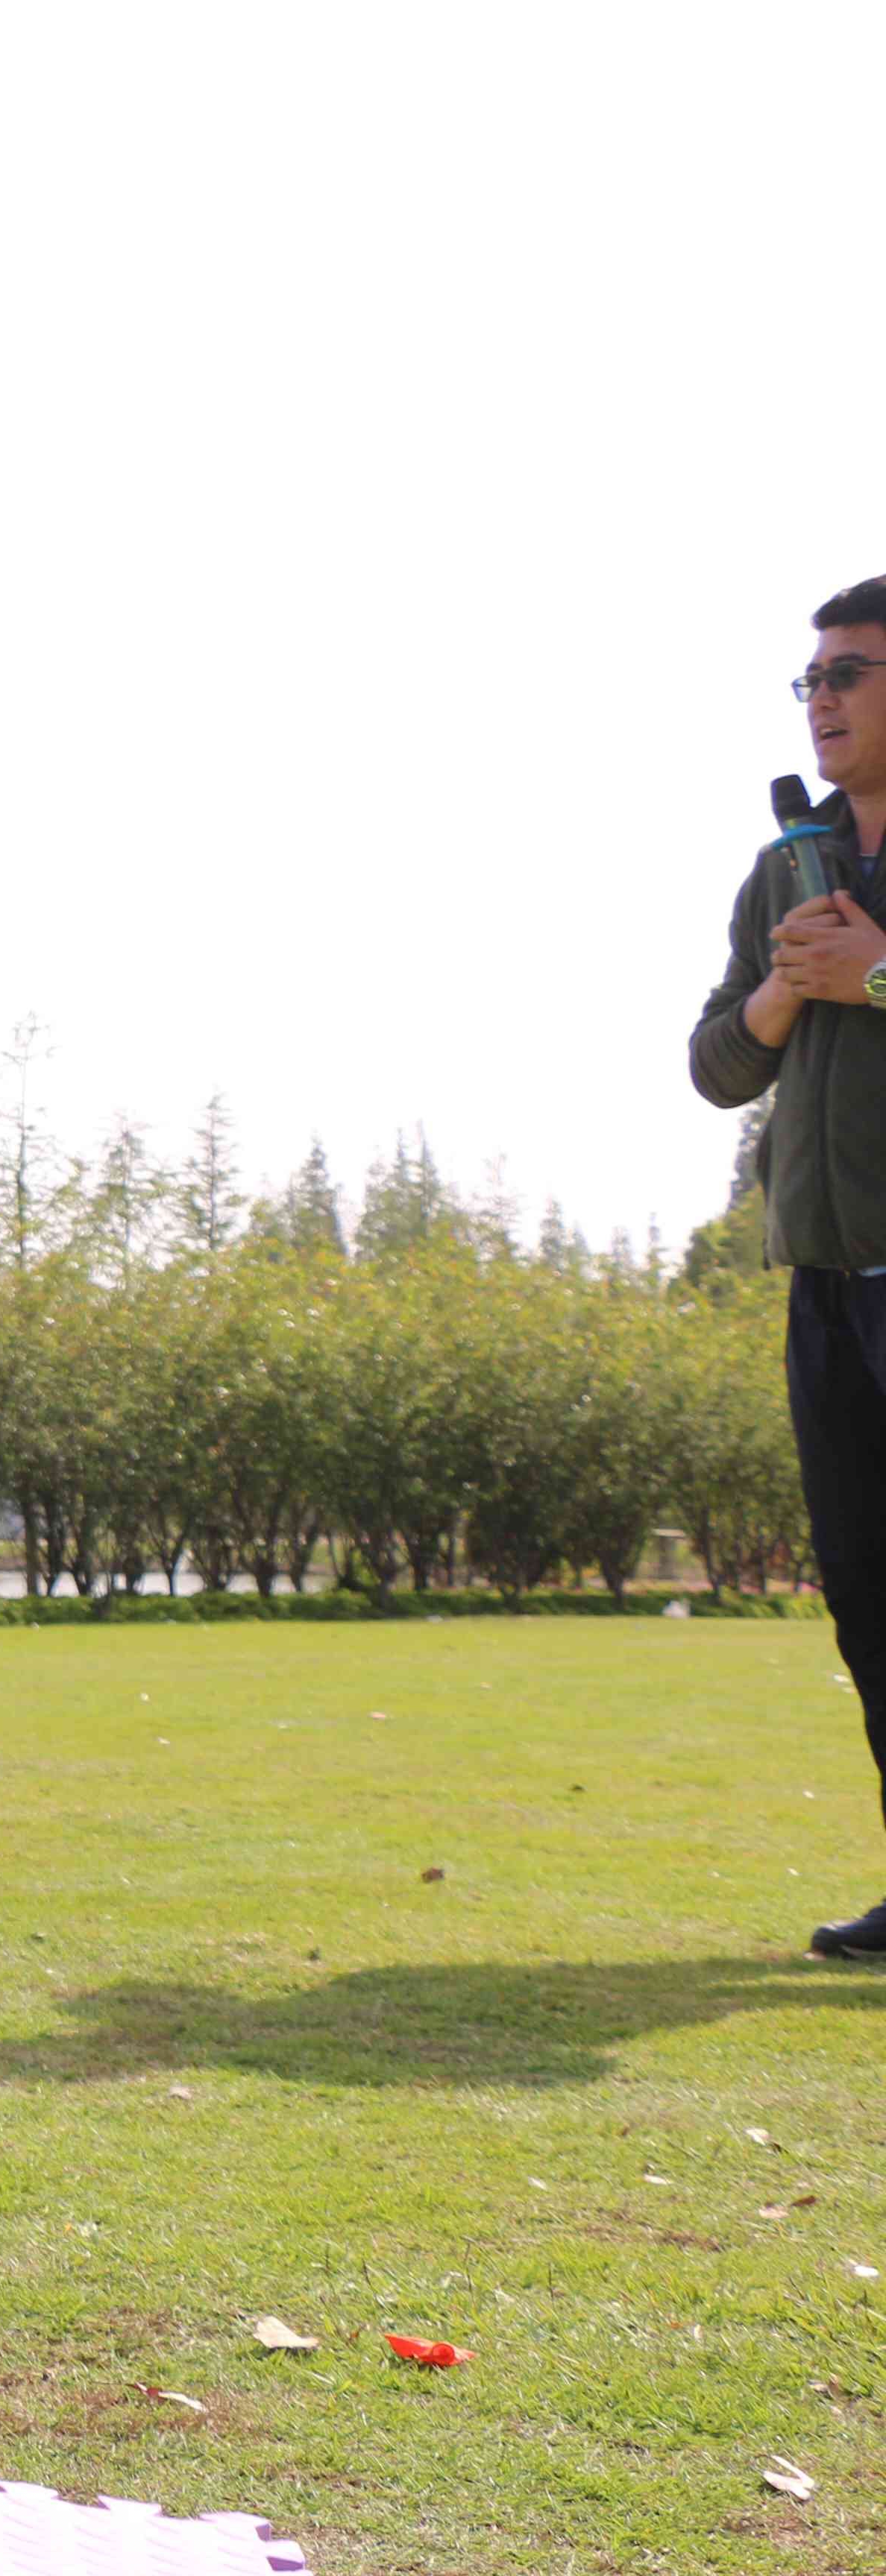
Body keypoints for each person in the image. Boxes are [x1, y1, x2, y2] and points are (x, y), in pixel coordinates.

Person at [690, 574, 886, 1961]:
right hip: (822, 1280)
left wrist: (875, 977)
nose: (816, 700)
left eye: (846, 675)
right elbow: (713, 1064)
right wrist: (779, 988)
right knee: (867, 1596)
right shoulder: (783, 865)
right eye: (806, 681)